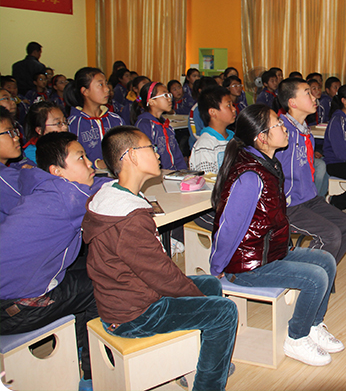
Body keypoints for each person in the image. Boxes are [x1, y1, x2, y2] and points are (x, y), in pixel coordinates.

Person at [83, 126, 238, 391]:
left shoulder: (113, 196)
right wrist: (196, 299)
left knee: (211, 285)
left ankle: (198, 360)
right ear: (131, 156)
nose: (157, 154)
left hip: (128, 297)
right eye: (150, 148)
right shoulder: (128, 219)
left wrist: (196, 296)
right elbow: (162, 275)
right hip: (134, 315)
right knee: (224, 311)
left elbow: (155, 272)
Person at [211, 104, 343, 366]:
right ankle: (296, 338)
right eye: (278, 125)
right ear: (262, 137)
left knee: (326, 261)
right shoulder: (250, 176)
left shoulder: (267, 163)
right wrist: (217, 267)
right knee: (315, 277)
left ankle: (313, 324)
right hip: (246, 265)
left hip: (269, 252)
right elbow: (228, 227)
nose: (284, 128)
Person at [0, 131, 107, 391]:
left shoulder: (41, 184)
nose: (90, 163)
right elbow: (112, 191)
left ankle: (80, 340)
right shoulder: (67, 197)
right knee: (102, 284)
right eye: (80, 158)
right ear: (56, 171)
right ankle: (93, 374)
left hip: (6, 298)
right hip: (14, 309)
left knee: (89, 266)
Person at [276, 78, 346, 263]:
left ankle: (323, 271)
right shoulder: (281, 131)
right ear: (292, 102)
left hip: (309, 199)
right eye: (307, 93)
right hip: (288, 205)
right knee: (331, 234)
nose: (314, 97)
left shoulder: (305, 132)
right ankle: (304, 275)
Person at [66, 67, 124, 168]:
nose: (107, 89)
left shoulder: (116, 120)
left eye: (106, 84)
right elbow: (69, 158)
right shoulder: (73, 124)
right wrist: (97, 164)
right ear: (85, 91)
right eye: (100, 85)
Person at [134, 81, 187, 170]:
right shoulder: (144, 125)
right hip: (157, 175)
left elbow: (177, 154)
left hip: (173, 174)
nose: (169, 99)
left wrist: (183, 172)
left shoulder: (166, 125)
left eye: (169, 95)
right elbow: (145, 159)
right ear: (151, 102)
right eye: (165, 95)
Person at [190, 85, 236, 173]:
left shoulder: (235, 139)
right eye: (228, 105)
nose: (233, 109)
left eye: (232, 105)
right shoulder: (205, 145)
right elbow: (207, 178)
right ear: (213, 112)